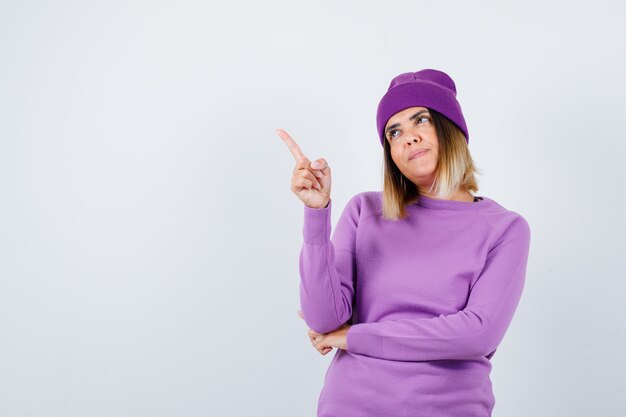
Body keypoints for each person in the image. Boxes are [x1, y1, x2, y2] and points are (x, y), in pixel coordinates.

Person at [276, 68, 531, 417]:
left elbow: (477, 333)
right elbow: (323, 320)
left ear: (451, 129)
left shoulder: (505, 229)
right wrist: (316, 214)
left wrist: (356, 337)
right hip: (350, 405)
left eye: (421, 120)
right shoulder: (365, 211)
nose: (408, 137)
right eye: (394, 132)